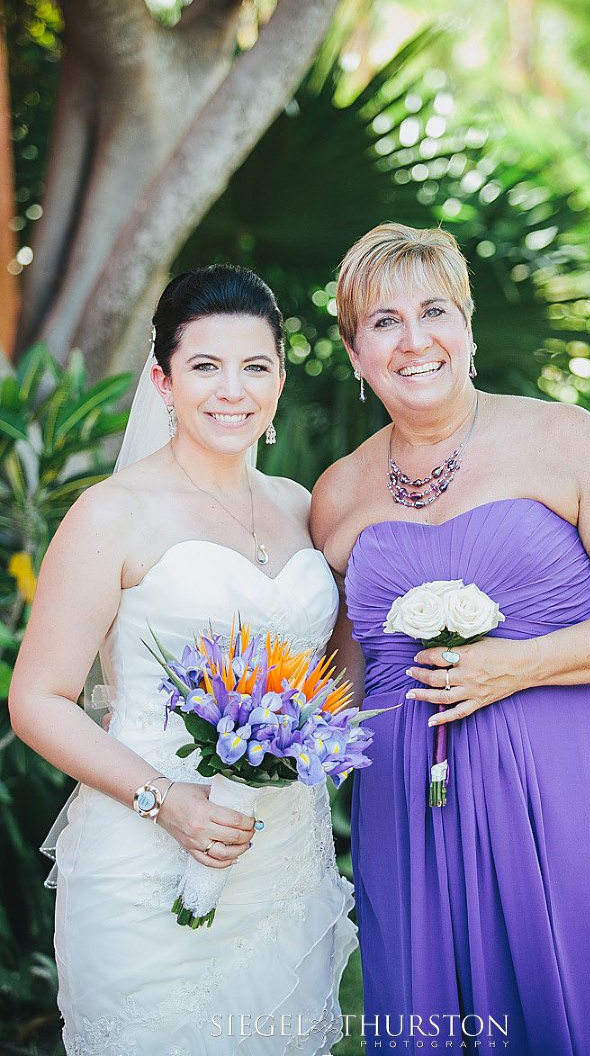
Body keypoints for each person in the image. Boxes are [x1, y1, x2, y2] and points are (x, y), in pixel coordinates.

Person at [311, 224, 590, 1056]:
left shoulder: (561, 437)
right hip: (405, 805)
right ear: (355, 355)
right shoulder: (338, 490)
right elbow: (340, 680)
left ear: (467, 327)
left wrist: (516, 667)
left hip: (563, 778)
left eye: (434, 311)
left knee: (583, 1002)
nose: (414, 339)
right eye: (383, 322)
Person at [9, 265, 356, 1056]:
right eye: (205, 366)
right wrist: (167, 802)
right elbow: (38, 698)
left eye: (255, 366)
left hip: (282, 864)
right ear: (163, 381)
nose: (231, 390)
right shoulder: (111, 514)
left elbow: (333, 680)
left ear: (277, 377)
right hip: (146, 857)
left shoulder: (305, 508)